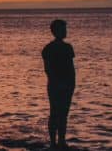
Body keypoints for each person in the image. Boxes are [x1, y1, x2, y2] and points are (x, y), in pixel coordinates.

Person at [42, 19, 75, 149]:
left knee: (62, 114)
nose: (65, 31)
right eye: (63, 29)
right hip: (57, 85)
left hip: (64, 85)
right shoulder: (50, 49)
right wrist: (60, 83)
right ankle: (54, 142)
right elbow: (48, 69)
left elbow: (71, 69)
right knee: (57, 113)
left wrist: (71, 84)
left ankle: (60, 141)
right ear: (56, 31)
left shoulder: (66, 47)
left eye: (65, 29)